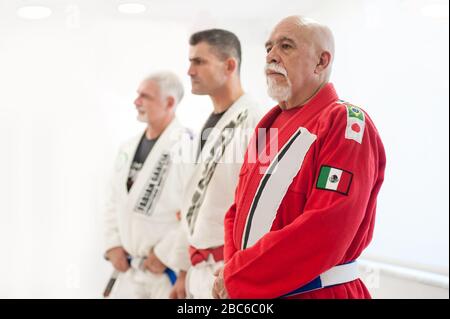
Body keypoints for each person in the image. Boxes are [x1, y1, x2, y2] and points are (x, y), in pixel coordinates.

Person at [213, 16, 386, 299]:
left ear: (321, 62)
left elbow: (326, 228)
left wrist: (239, 275)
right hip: (251, 291)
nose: (271, 56)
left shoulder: (346, 123)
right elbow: (238, 209)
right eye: (268, 47)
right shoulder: (268, 125)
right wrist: (233, 270)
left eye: (286, 46)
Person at [169, 29, 263, 299]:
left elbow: (261, 207)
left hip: (228, 271)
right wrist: (183, 272)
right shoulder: (210, 124)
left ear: (229, 65)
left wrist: (242, 270)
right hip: (199, 271)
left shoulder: (257, 121)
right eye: (190, 61)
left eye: (199, 62)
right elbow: (193, 204)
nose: (189, 70)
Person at [103, 71, 192, 298]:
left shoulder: (188, 147)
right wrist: (113, 244)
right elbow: (114, 200)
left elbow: (194, 211)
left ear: (169, 102)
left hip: (164, 272)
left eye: (145, 96)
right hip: (130, 270)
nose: (136, 102)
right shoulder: (127, 147)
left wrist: (165, 252)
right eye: (137, 95)